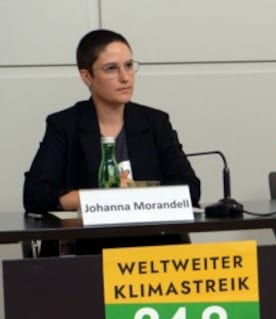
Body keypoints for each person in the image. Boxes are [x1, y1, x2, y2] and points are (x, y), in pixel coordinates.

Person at [22, 29, 200, 253]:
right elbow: (34, 194)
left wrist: (130, 197)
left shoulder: (155, 122)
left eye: (128, 65)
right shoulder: (65, 125)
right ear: (87, 76)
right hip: (86, 248)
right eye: (111, 69)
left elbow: (191, 189)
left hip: (152, 247)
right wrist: (91, 200)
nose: (125, 77)